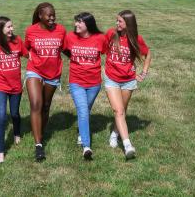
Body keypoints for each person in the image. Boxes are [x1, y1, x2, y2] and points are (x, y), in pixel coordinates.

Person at [104, 10, 151, 159]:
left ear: (128, 24)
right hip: (111, 78)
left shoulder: (136, 39)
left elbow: (147, 53)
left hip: (128, 80)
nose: (117, 23)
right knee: (118, 111)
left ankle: (115, 132)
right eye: (116, 20)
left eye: (120, 21)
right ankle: (127, 145)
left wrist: (144, 72)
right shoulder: (111, 34)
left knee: (122, 110)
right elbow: (101, 47)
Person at [24, 2, 66, 161]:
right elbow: (26, 47)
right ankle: (38, 145)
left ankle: (40, 132)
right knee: (36, 104)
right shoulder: (31, 30)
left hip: (53, 73)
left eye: (53, 14)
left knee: (46, 105)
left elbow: (64, 48)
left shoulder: (61, 30)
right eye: (49, 15)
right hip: (34, 69)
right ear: (40, 16)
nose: (52, 17)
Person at [63, 12, 106, 160]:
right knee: (82, 110)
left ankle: (81, 133)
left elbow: (110, 52)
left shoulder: (100, 38)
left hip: (94, 83)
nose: (76, 25)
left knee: (85, 110)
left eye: (79, 22)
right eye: (76, 22)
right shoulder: (70, 37)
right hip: (76, 81)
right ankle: (86, 146)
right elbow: (64, 49)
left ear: (88, 24)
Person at [0, 16, 28, 163]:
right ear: (0, 29)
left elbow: (28, 55)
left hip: (16, 86)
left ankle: (17, 132)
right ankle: (1, 151)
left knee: (14, 114)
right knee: (1, 116)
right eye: (8, 27)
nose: (12, 29)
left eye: (12, 26)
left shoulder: (17, 41)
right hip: (0, 86)